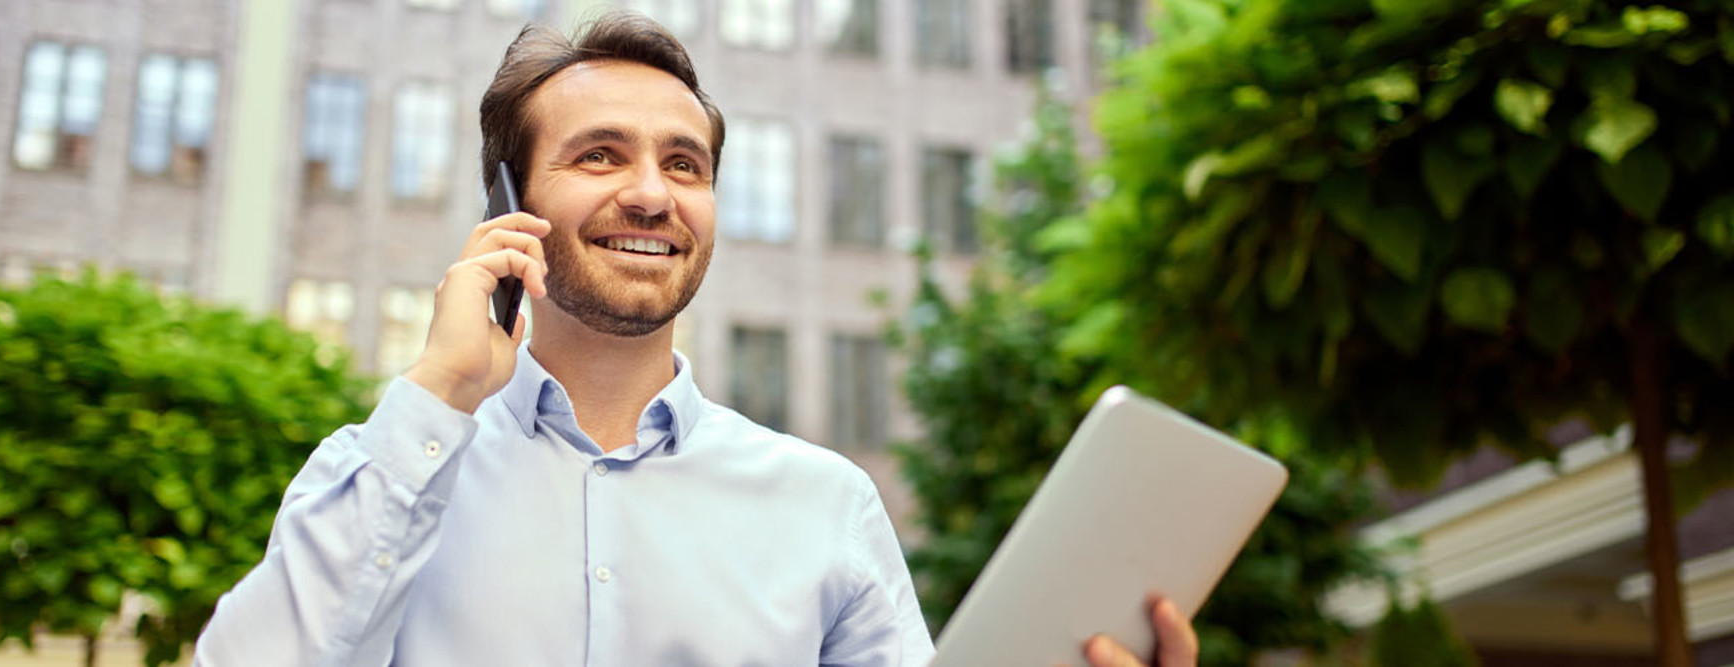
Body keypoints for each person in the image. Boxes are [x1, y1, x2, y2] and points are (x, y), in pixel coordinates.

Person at [194, 12, 1198, 667]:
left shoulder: (825, 507)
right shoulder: (386, 475)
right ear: (509, 204)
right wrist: (442, 389)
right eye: (598, 155)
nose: (649, 192)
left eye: (685, 164)